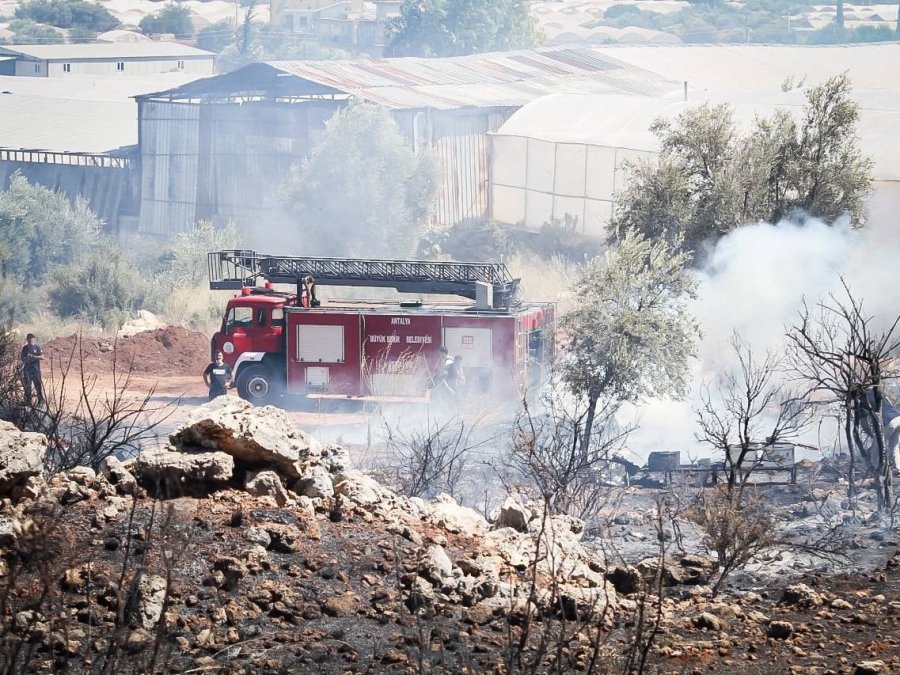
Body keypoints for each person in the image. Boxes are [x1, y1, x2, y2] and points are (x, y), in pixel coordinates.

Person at [20, 333, 44, 406]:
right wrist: (27, 358)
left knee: (38, 385)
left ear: (34, 339)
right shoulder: (25, 348)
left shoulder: (37, 347)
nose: (31, 341)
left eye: (32, 339)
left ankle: (40, 401)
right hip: (27, 370)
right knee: (27, 386)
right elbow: (22, 359)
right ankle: (28, 402)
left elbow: (42, 357)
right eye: (29, 339)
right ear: (27, 340)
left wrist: (34, 357)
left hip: (36, 370)